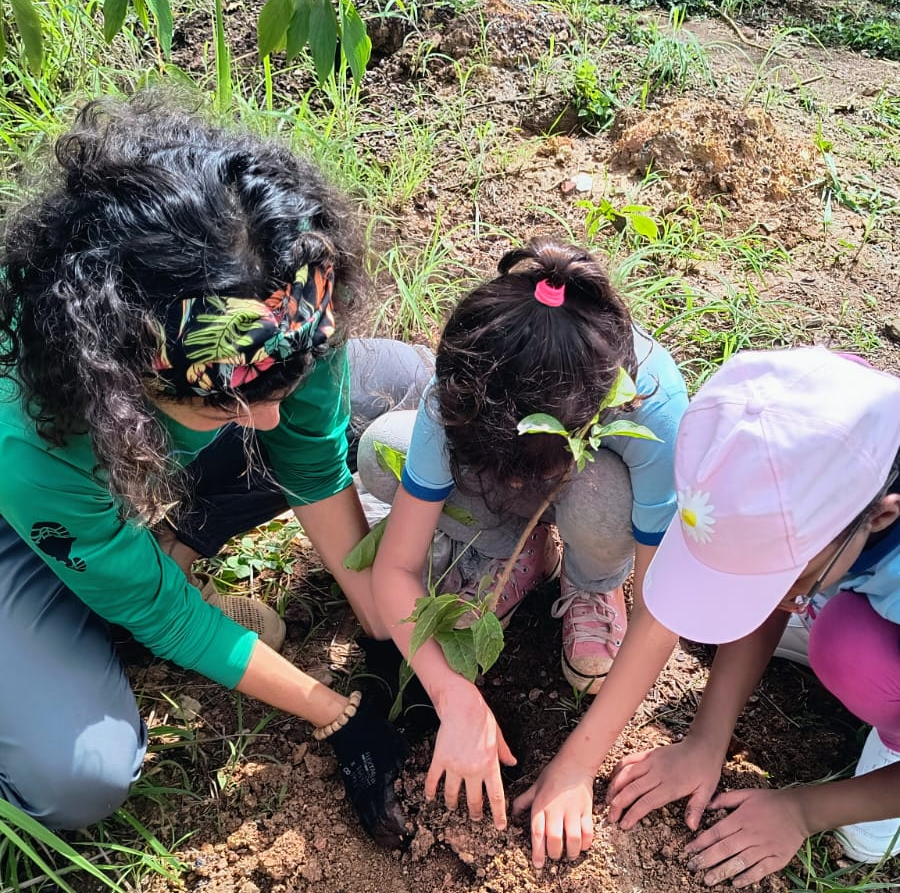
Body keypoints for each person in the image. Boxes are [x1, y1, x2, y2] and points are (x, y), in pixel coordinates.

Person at [0, 94, 430, 846]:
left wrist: (385, 633)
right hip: (24, 512)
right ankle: (94, 603)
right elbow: (162, 610)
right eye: (227, 405)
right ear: (128, 383)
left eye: (277, 389)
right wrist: (337, 713)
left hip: (142, 442)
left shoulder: (285, 296)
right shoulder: (35, 435)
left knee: (405, 383)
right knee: (79, 773)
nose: (265, 422)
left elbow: (309, 459)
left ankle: (172, 544)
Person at [360, 238, 688, 837]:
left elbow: (662, 612)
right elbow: (395, 569)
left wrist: (575, 766)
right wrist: (453, 696)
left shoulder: (653, 407)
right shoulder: (464, 388)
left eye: (520, 468)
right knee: (385, 446)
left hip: (595, 493)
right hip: (514, 485)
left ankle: (591, 584)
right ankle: (513, 555)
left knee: (600, 497)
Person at [604, 347, 900, 885]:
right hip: (859, 563)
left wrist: (804, 810)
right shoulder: (812, 421)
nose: (772, 597)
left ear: (882, 514)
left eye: (789, 581)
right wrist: (706, 740)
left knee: (851, 652)